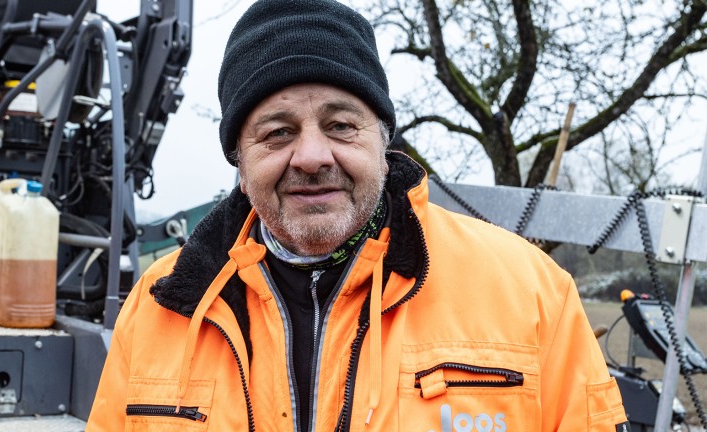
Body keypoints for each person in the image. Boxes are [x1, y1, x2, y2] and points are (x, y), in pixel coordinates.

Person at [87, 0, 629, 430]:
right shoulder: (159, 309)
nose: (312, 156)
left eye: (341, 124)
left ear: (383, 139)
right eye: (277, 132)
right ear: (239, 158)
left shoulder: (533, 295)